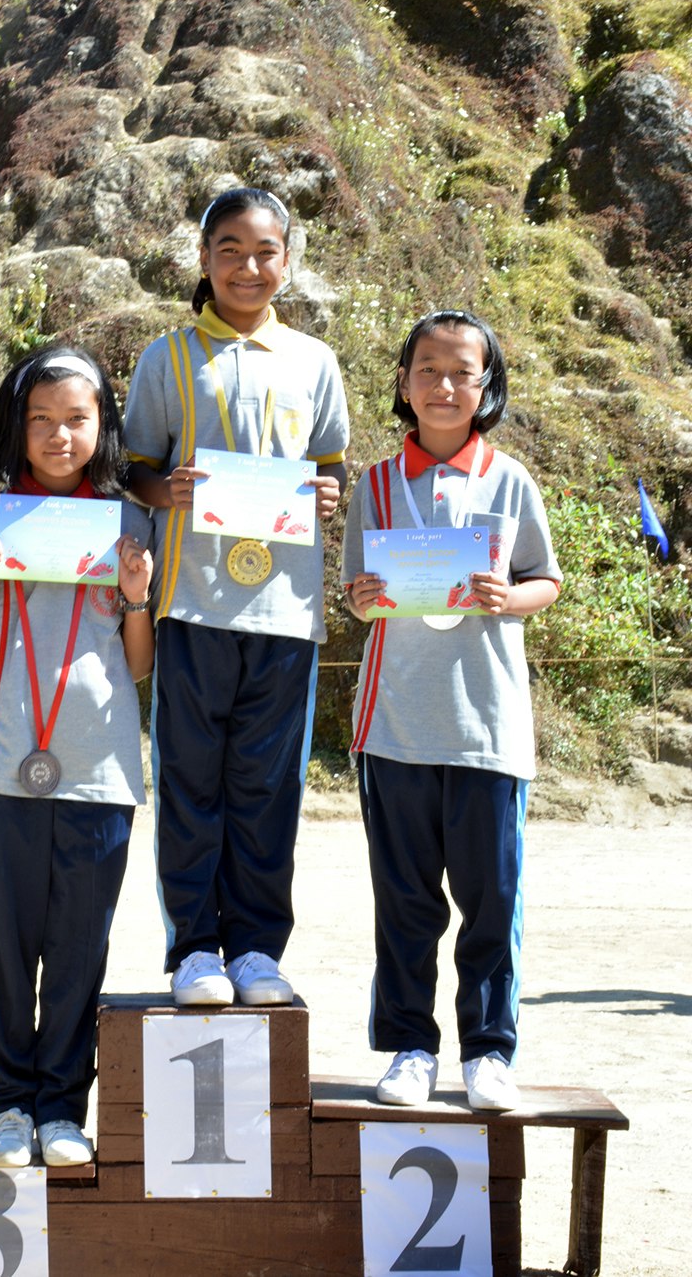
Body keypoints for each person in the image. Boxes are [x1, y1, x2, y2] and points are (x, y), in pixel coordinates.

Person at [123, 186, 349, 1008]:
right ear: (204, 259)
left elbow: (329, 468)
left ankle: (256, 947)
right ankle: (194, 948)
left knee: (268, 787)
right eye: (230, 250)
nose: (248, 267)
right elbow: (134, 470)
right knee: (191, 783)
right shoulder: (169, 357)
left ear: (288, 260)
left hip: (285, 613)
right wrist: (166, 491)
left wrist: (329, 497)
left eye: (264, 251)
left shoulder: (315, 363)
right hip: (191, 604)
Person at [341, 310, 562, 1113]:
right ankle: (408, 1044)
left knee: (491, 898)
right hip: (395, 725)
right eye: (427, 368)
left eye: (462, 371)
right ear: (402, 382)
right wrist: (364, 600)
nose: (443, 384)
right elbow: (360, 599)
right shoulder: (372, 484)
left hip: (487, 729)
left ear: (486, 386)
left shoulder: (511, 479)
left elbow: (546, 579)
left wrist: (511, 599)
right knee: (405, 899)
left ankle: (488, 1050)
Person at [0, 345, 154, 1169]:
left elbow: (137, 663)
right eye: (40, 419)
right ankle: (7, 1107)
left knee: (79, 946)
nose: (58, 435)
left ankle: (64, 1107)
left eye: (77, 419)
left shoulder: (129, 527)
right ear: (16, 425)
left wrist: (136, 596)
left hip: (99, 767)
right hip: (0, 765)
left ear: (102, 426)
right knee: (1, 944)